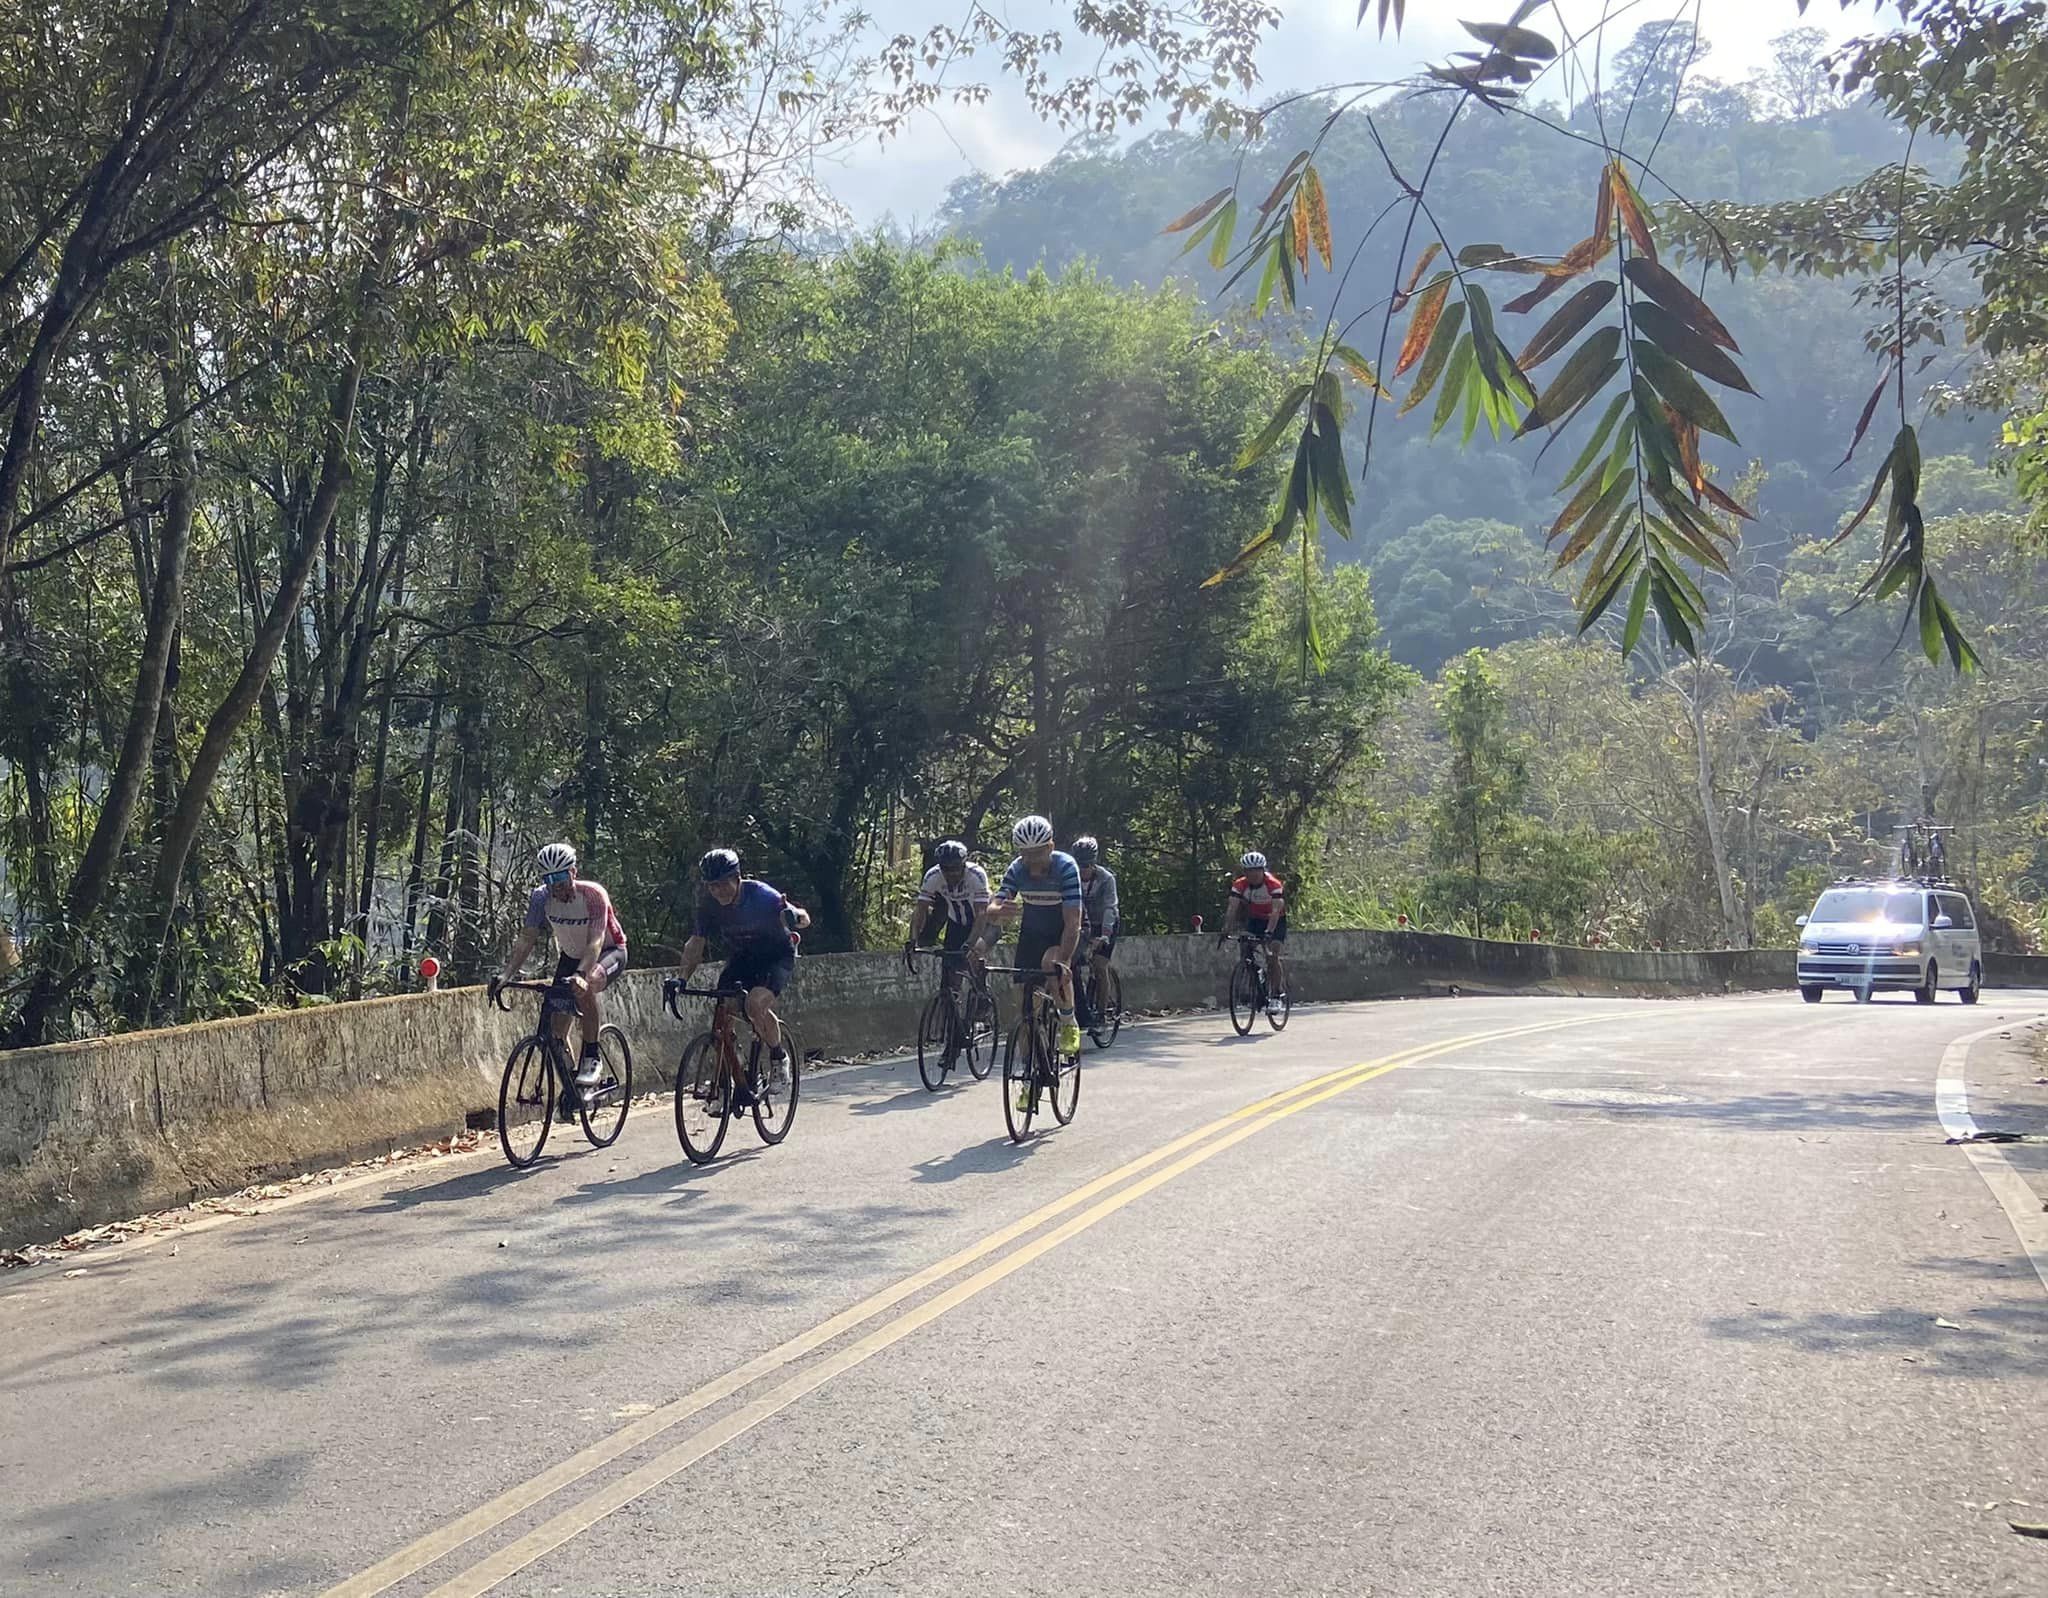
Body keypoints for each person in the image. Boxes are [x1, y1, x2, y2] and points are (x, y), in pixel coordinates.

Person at [491, 842, 628, 1118]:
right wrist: (506, 975)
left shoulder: (593, 894)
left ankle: (592, 1056)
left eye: (561, 877)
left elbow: (595, 941)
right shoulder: (540, 898)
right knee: (556, 1030)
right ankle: (572, 1087)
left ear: (573, 872)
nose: (556, 885)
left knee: (586, 986)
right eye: (549, 879)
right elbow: (527, 937)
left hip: (608, 952)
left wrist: (581, 975)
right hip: (570, 956)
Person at [675, 848, 811, 1105]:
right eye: (712, 886)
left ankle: (778, 1056)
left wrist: (794, 917)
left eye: (723, 883)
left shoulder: (761, 896)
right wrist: (681, 979)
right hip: (742, 958)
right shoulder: (709, 905)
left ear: (737, 878)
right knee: (722, 1015)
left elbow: (804, 917)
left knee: (754, 1004)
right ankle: (729, 1081)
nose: (718, 891)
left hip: (775, 956)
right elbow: (695, 944)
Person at [973, 815, 1083, 1103]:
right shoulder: (1017, 868)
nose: (1032, 862)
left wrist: (1065, 961)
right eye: (1026, 855)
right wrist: (997, 911)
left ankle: (1068, 1021)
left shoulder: (1066, 867)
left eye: (1037, 854)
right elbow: (994, 905)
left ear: (1051, 847)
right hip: (1032, 931)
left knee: (1051, 965)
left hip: (1062, 929)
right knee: (1024, 1009)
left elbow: (1073, 922)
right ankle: (1029, 1077)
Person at [906, 839, 991, 992]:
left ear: (964, 865)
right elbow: (920, 910)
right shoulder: (933, 876)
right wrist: (912, 940)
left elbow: (981, 913)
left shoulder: (976, 875)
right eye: (946, 869)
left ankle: (981, 994)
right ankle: (950, 1000)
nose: (951, 873)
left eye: (956, 868)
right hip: (956, 923)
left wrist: (970, 944)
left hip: (982, 922)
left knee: (974, 957)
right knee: (949, 977)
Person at [1220, 850, 1287, 1005]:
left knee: (1272, 955)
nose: (1253, 874)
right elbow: (1232, 909)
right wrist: (1225, 929)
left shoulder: (1273, 884)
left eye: (1257, 870)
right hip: (1256, 919)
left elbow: (1275, 911)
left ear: (1263, 870)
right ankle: (1252, 977)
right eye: (1249, 871)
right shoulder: (1240, 885)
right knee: (1245, 947)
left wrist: (1269, 932)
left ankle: (1277, 994)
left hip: (1276, 921)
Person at [1069, 835, 1119, 1032]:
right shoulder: (1071, 877)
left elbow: (1110, 908)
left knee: (1099, 965)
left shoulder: (1106, 879)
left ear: (1093, 863)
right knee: (1072, 962)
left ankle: (1101, 1013)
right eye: (1079, 865)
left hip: (1106, 924)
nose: (1082, 870)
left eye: (1086, 866)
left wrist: (1105, 935)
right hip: (1084, 924)